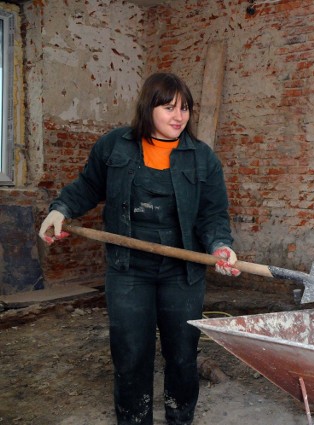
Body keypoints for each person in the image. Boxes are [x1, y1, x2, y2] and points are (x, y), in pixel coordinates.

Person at [38, 72, 240, 424]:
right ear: (148, 108)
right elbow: (87, 186)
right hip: (128, 268)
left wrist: (220, 246)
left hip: (183, 270)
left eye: (185, 108)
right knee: (131, 353)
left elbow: (213, 215)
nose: (179, 117)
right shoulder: (114, 147)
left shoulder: (202, 159)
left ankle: (180, 418)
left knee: (182, 353)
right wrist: (60, 210)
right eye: (168, 107)